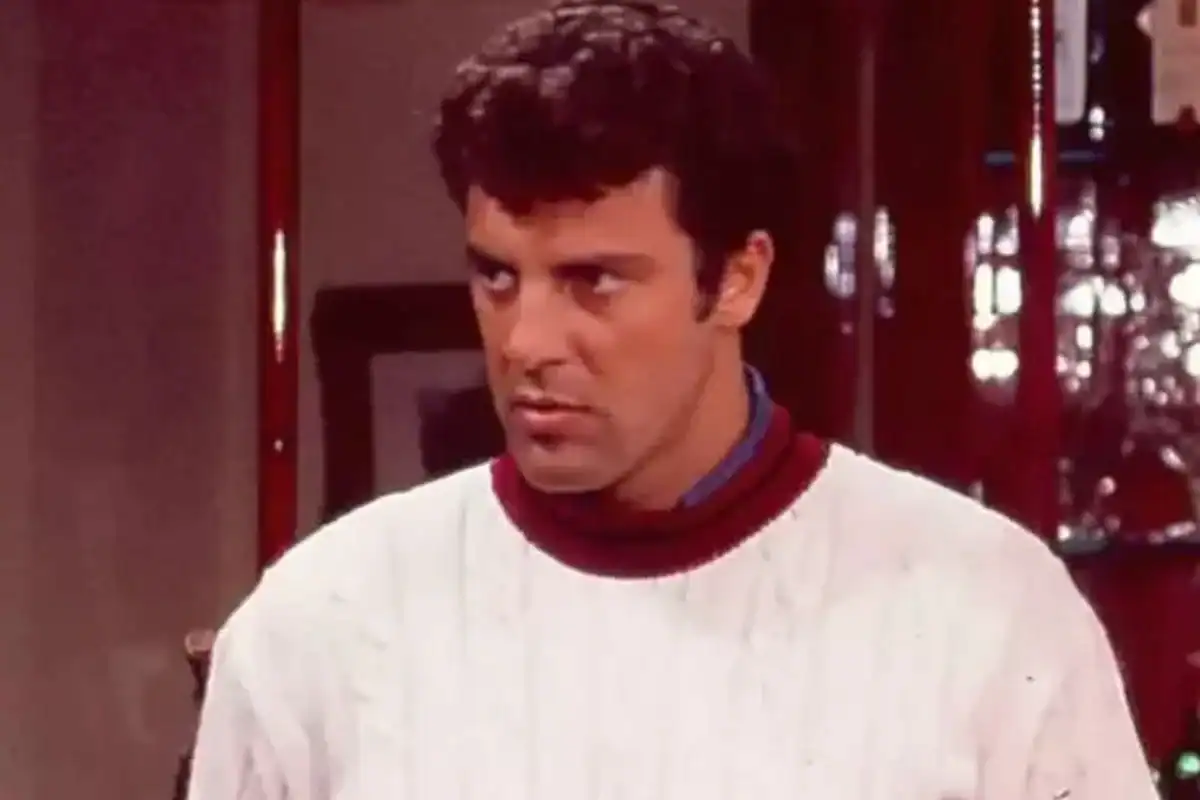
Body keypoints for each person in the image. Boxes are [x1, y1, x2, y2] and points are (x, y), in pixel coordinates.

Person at [186, 2, 1158, 798]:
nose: (526, 342)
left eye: (594, 281)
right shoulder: (321, 623)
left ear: (736, 279)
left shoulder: (985, 610)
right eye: (497, 276)